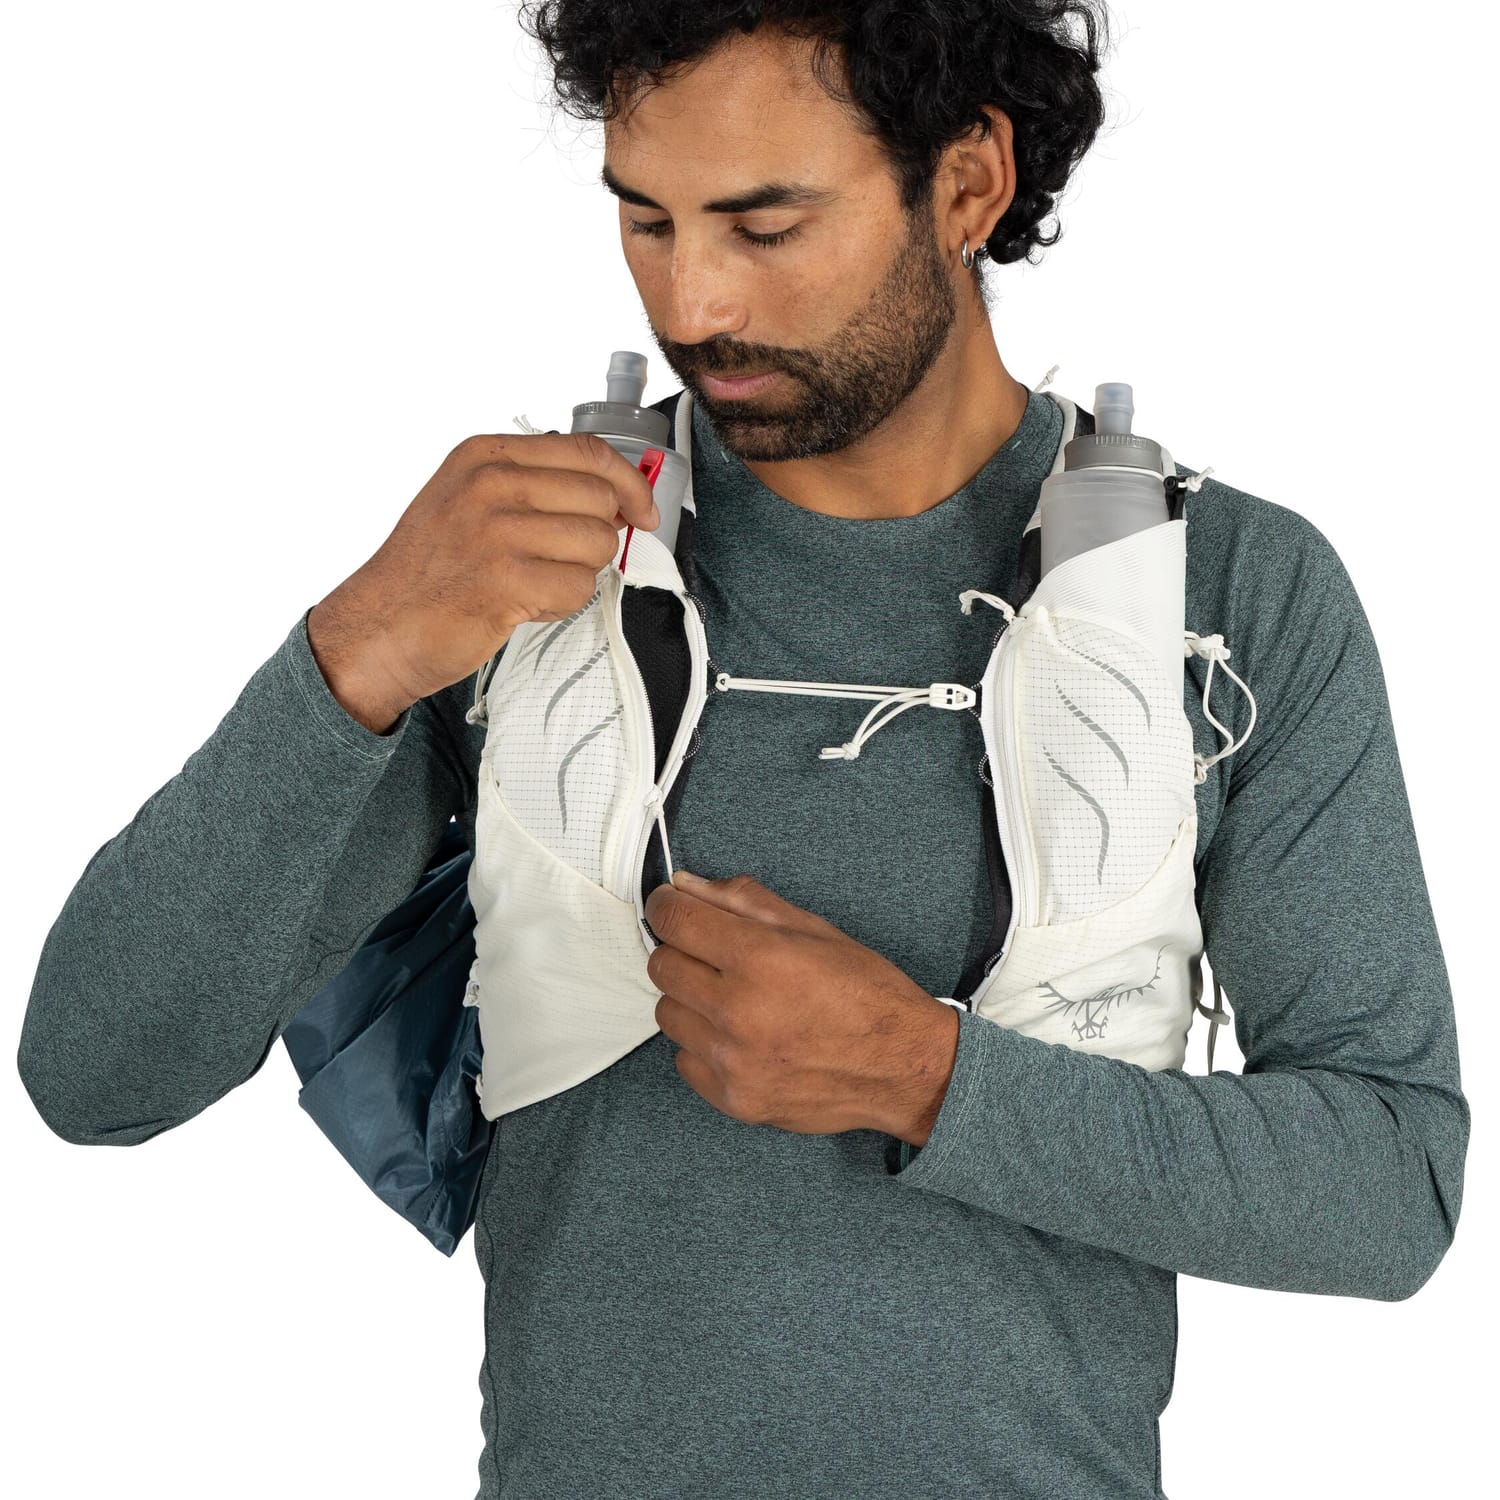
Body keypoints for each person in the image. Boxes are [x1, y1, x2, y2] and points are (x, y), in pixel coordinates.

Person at [16, 4, 1469, 1498]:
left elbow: (1392, 1184)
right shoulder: (517, 572)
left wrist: (926, 1076)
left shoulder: (1232, 591)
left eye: (766, 228)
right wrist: (364, 646)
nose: (693, 301)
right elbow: (96, 1072)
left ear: (968, 184)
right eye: (646, 221)